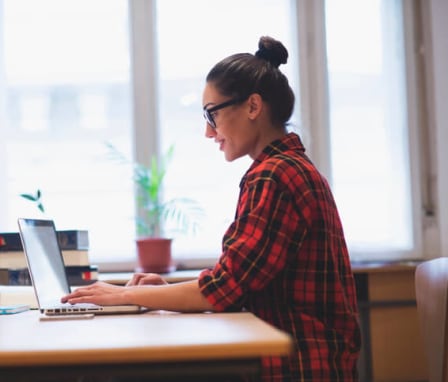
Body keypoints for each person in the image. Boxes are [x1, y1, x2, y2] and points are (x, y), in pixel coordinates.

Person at [62, 36, 361, 381]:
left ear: (252, 106)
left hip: (299, 364)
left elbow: (223, 289)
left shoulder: (274, 176)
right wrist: (159, 294)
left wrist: (125, 295)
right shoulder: (286, 167)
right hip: (304, 355)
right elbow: (236, 284)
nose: (208, 132)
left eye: (211, 115)